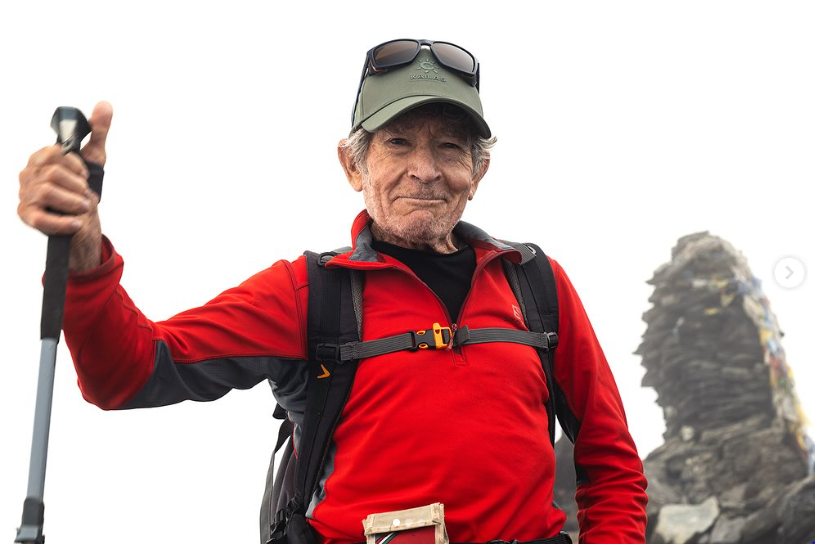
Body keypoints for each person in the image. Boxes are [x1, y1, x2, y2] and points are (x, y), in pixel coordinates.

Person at [17, 39, 648, 543]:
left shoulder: (535, 284)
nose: (425, 170)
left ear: (477, 172)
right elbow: (126, 374)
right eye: (398, 143)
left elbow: (612, 463)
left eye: (450, 147)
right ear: (353, 165)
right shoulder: (305, 293)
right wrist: (83, 255)